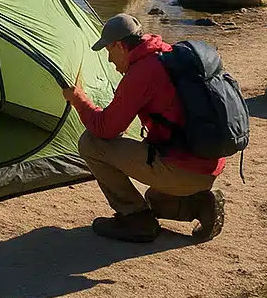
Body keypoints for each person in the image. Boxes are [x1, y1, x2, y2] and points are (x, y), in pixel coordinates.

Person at [62, 13, 225, 244]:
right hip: (207, 163)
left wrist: (78, 99)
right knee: (155, 200)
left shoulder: (142, 72)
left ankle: (136, 221)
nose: (109, 60)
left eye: (109, 51)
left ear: (119, 45)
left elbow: (105, 129)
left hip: (185, 169)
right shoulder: (167, 53)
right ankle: (202, 204)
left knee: (90, 144)